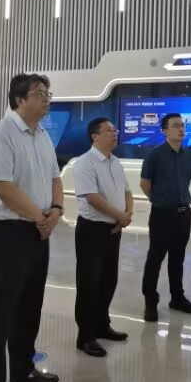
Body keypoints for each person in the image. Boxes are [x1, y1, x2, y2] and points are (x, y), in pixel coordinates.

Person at [0, 73, 63, 382]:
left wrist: (56, 211)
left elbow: (56, 178)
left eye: (48, 93)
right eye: (40, 93)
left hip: (37, 231)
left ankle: (23, 368)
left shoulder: (43, 135)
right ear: (19, 100)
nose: (47, 98)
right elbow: (2, 185)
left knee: (29, 305)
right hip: (7, 233)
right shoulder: (2, 133)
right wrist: (41, 216)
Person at [72, 117, 134, 357]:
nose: (115, 133)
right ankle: (85, 336)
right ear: (94, 136)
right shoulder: (84, 163)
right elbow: (92, 198)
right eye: (109, 130)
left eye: (115, 130)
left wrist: (126, 215)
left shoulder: (115, 162)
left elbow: (127, 191)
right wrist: (120, 216)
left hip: (113, 230)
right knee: (89, 283)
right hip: (92, 230)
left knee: (108, 280)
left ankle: (101, 325)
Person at [140, 112, 191, 323]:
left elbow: (187, 180)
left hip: (183, 214)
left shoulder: (188, 154)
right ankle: (150, 301)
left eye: (182, 125)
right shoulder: (155, 155)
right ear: (165, 131)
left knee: (178, 257)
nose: (181, 129)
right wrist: (159, 200)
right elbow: (145, 183)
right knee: (155, 258)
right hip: (162, 214)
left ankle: (177, 297)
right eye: (175, 125)